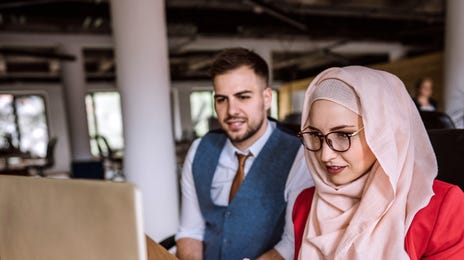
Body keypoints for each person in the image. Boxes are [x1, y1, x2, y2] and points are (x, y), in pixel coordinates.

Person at [292, 66, 464, 259]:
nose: (325, 155)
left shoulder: (442, 207)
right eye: (315, 135)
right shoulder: (306, 203)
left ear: (385, 134)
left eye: (343, 135)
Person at [175, 47, 313, 260]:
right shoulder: (199, 150)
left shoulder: (298, 155)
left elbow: (291, 243)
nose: (231, 111)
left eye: (243, 97)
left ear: (266, 98)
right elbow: (190, 231)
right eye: (222, 99)